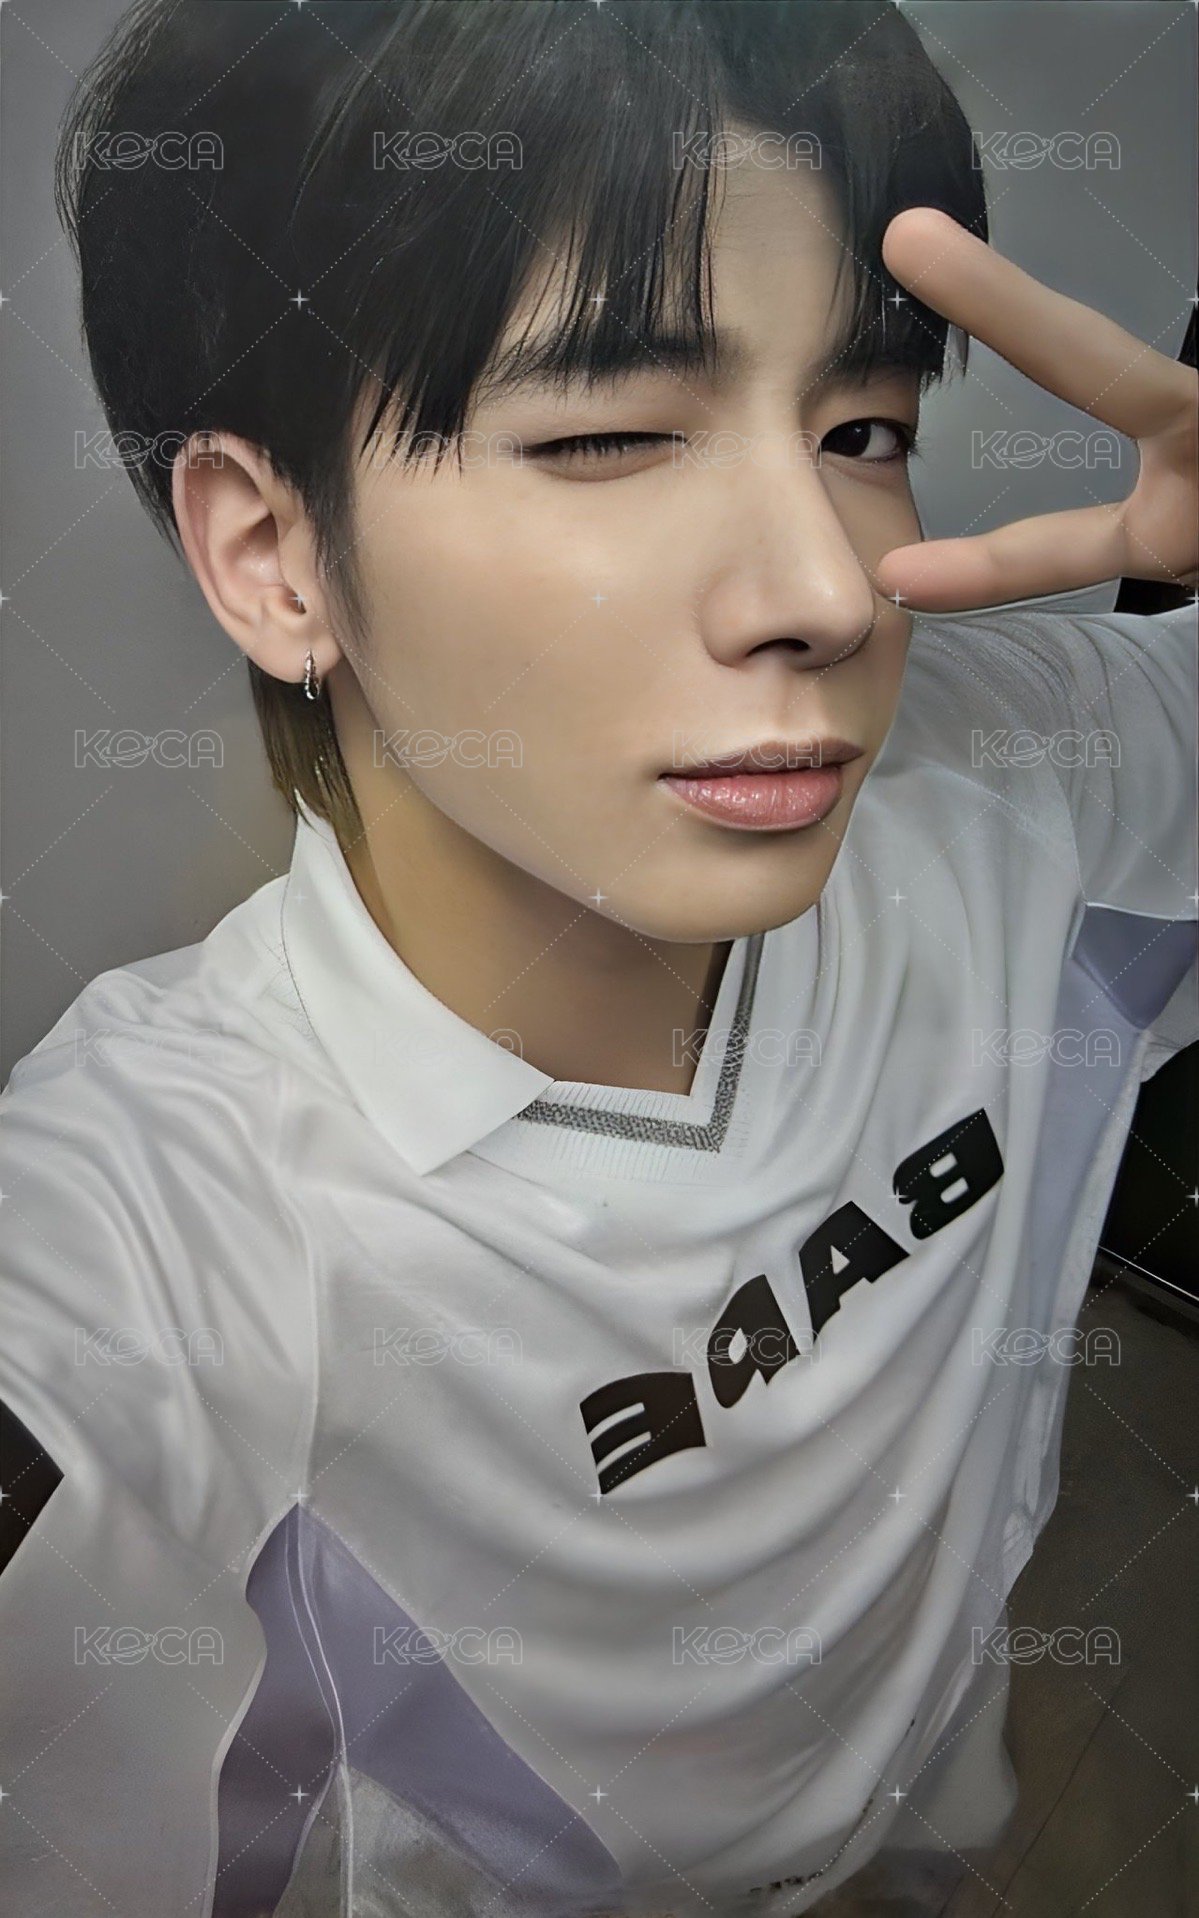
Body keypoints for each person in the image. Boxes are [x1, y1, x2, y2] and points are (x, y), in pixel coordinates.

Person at [1, 2, 1195, 1914]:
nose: (825, 589)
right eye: (614, 436)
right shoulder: (159, 1232)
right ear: (274, 553)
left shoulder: (1009, 777)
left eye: (865, 430)